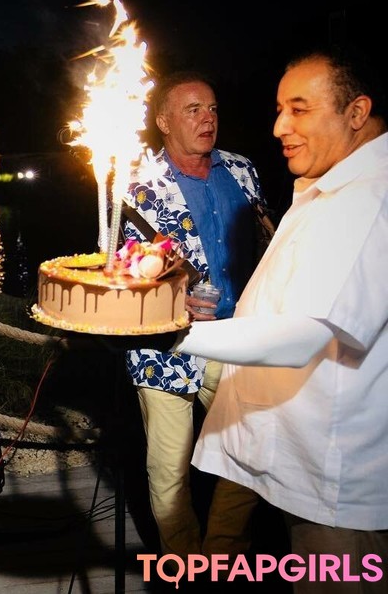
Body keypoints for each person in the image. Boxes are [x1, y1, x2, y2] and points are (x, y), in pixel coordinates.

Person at [175, 46, 387, 591]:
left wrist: (169, 335)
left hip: (336, 489)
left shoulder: (367, 198)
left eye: (299, 109)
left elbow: (301, 336)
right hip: (305, 464)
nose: (279, 127)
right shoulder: (331, 185)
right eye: (278, 110)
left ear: (357, 113)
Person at [122, 71, 273, 559]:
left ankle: (221, 555)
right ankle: (184, 566)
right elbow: (122, 268)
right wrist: (168, 298)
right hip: (166, 345)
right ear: (164, 121)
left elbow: (265, 240)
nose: (207, 119)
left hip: (237, 337)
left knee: (250, 449)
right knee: (169, 471)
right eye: (192, 110)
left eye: (212, 109)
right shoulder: (137, 183)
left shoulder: (242, 169)